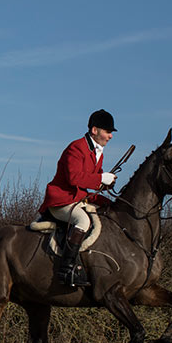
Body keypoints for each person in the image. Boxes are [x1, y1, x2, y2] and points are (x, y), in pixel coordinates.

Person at [38, 109, 117, 287]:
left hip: (78, 199)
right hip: (62, 200)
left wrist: (105, 188)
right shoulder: (76, 147)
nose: (111, 136)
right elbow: (74, 178)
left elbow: (90, 184)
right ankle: (66, 270)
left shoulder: (98, 152)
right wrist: (100, 179)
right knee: (83, 221)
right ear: (95, 130)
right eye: (107, 131)